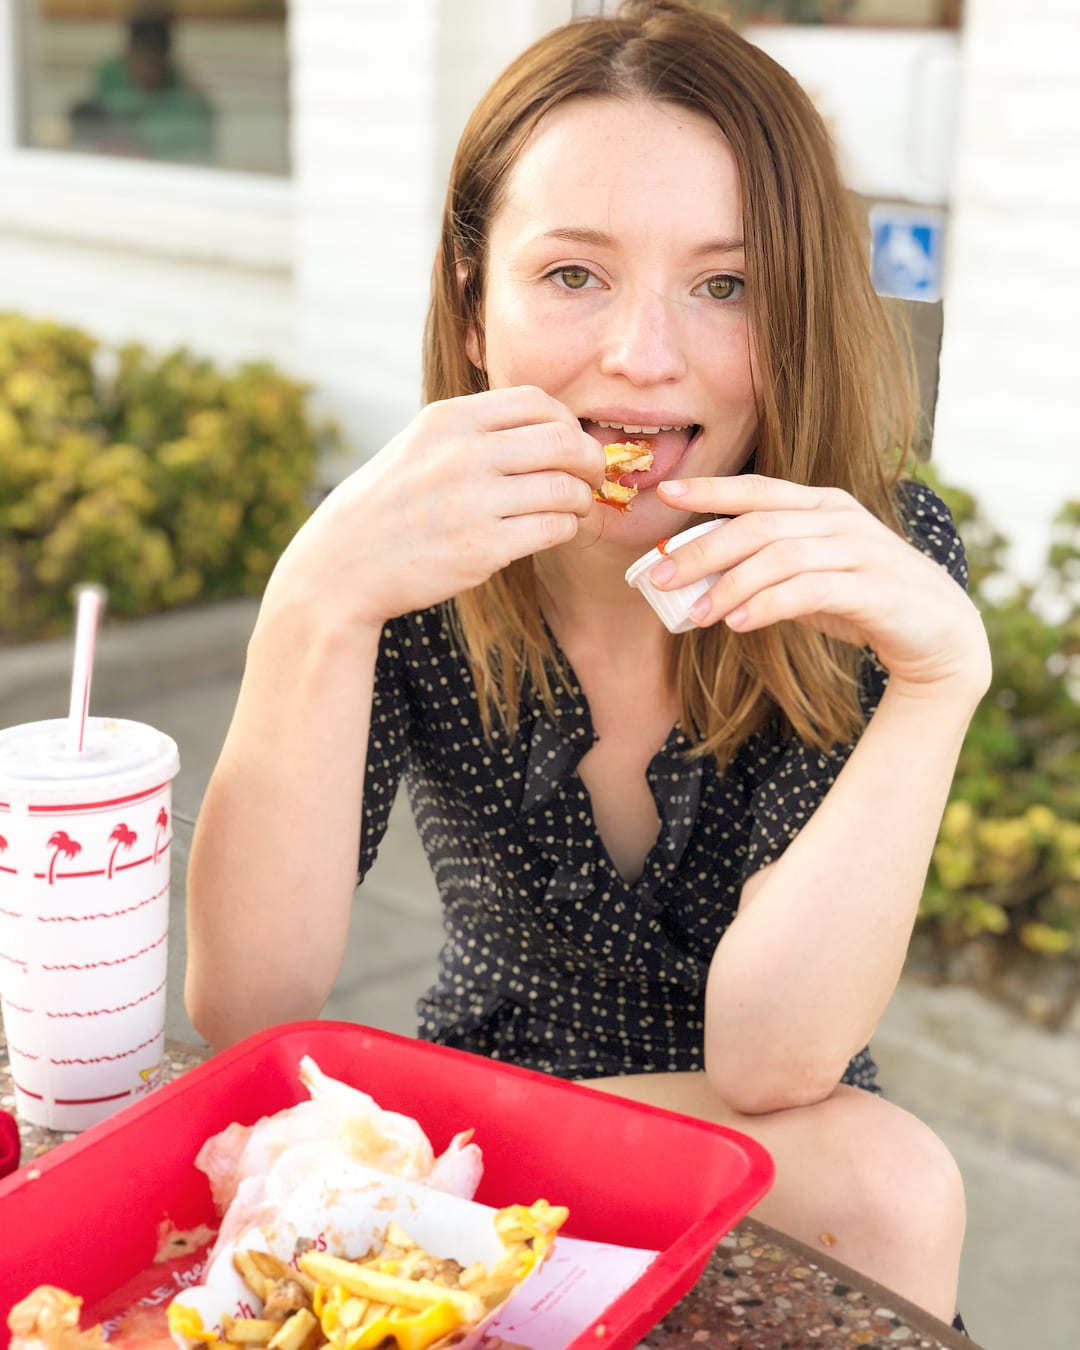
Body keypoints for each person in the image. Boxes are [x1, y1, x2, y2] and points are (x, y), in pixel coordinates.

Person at [185, 0, 990, 1330]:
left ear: (796, 311)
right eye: (573, 275)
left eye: (726, 286)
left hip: (771, 1132)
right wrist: (312, 601)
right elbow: (248, 1009)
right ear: (473, 300)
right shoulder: (406, 557)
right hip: (476, 1117)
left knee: (890, 1183)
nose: (643, 358)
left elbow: (776, 1059)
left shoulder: (869, 560)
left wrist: (939, 684)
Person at [69, 9, 214, 164]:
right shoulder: (109, 78)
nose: (147, 71)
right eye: (141, 61)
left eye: (153, 63)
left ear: (165, 61)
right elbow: (88, 124)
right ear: (129, 56)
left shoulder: (185, 101)